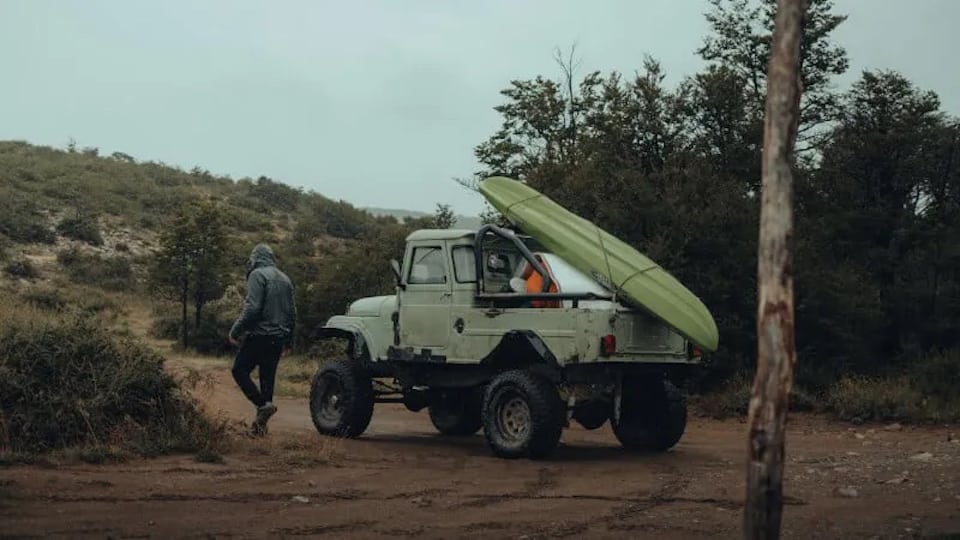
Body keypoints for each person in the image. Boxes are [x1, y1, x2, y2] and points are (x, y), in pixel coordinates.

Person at [228, 243, 297, 436]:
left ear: (255, 258)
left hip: (259, 336)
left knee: (239, 370)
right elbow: (292, 313)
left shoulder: (257, 275)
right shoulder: (285, 278)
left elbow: (252, 308)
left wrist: (235, 331)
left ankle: (261, 405)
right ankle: (260, 430)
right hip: (277, 338)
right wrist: (289, 341)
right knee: (267, 381)